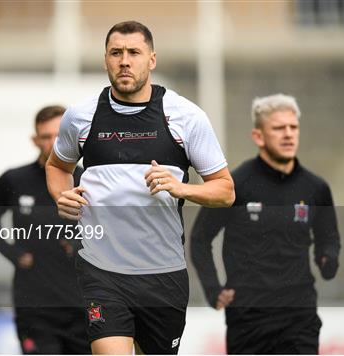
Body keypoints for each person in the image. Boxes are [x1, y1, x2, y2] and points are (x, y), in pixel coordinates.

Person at [46, 21, 235, 354]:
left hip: (163, 274)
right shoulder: (80, 116)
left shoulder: (185, 117)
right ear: (105, 60)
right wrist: (63, 196)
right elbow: (57, 166)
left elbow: (225, 190)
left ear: (152, 59)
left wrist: (182, 189)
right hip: (100, 270)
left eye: (134, 52)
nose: (124, 61)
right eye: (116, 53)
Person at [191, 93, 341, 354]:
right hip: (249, 320)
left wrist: (327, 257)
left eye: (293, 127)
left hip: (299, 317)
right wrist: (213, 289)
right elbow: (199, 239)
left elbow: (329, 237)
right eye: (278, 128)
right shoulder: (236, 186)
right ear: (258, 136)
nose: (288, 134)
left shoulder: (316, 188)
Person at [0, 105, 90, 354]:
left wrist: (80, 245)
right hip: (34, 306)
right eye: (45, 137)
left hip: (81, 304)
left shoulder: (88, 181)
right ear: (35, 140)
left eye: (59, 136)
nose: (52, 143)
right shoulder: (14, 180)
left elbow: (108, 230)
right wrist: (14, 253)